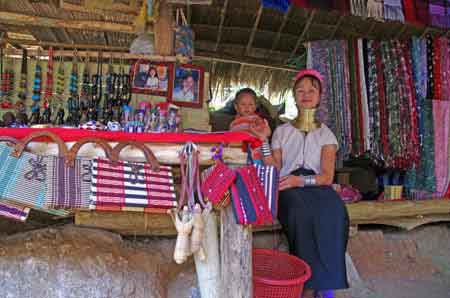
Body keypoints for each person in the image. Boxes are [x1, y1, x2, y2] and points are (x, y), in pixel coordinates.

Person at [252, 69, 349, 298]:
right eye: (300, 91)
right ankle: (306, 283)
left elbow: (327, 177)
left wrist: (301, 181)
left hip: (316, 186)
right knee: (299, 213)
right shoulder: (282, 132)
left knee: (335, 211)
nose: (306, 95)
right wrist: (264, 140)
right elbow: (274, 168)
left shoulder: (327, 136)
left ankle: (326, 288)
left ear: (319, 95)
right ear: (294, 96)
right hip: (288, 186)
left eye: (311, 90)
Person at [229, 88, 269, 164]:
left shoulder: (256, 119)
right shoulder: (233, 124)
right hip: (237, 157)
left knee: (254, 174)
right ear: (236, 107)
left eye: (250, 104)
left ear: (255, 107)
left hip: (254, 157)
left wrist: (263, 130)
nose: (247, 107)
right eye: (243, 104)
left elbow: (267, 133)